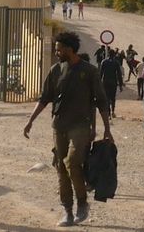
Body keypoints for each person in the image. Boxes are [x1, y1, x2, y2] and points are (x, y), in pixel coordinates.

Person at [24, 31, 112, 227]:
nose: (56, 53)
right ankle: (67, 210)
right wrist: (30, 120)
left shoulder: (89, 71)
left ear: (69, 49)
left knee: (72, 162)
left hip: (81, 125)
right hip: (59, 126)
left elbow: (101, 101)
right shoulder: (56, 70)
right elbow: (45, 98)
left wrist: (106, 129)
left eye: (59, 49)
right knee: (61, 168)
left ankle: (82, 203)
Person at [99, 49, 125, 119]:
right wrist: (120, 85)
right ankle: (113, 111)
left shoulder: (104, 61)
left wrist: (99, 83)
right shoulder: (116, 62)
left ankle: (108, 113)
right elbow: (119, 74)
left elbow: (101, 73)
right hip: (113, 82)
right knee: (113, 98)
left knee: (107, 97)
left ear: (108, 54)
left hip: (105, 82)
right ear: (114, 55)